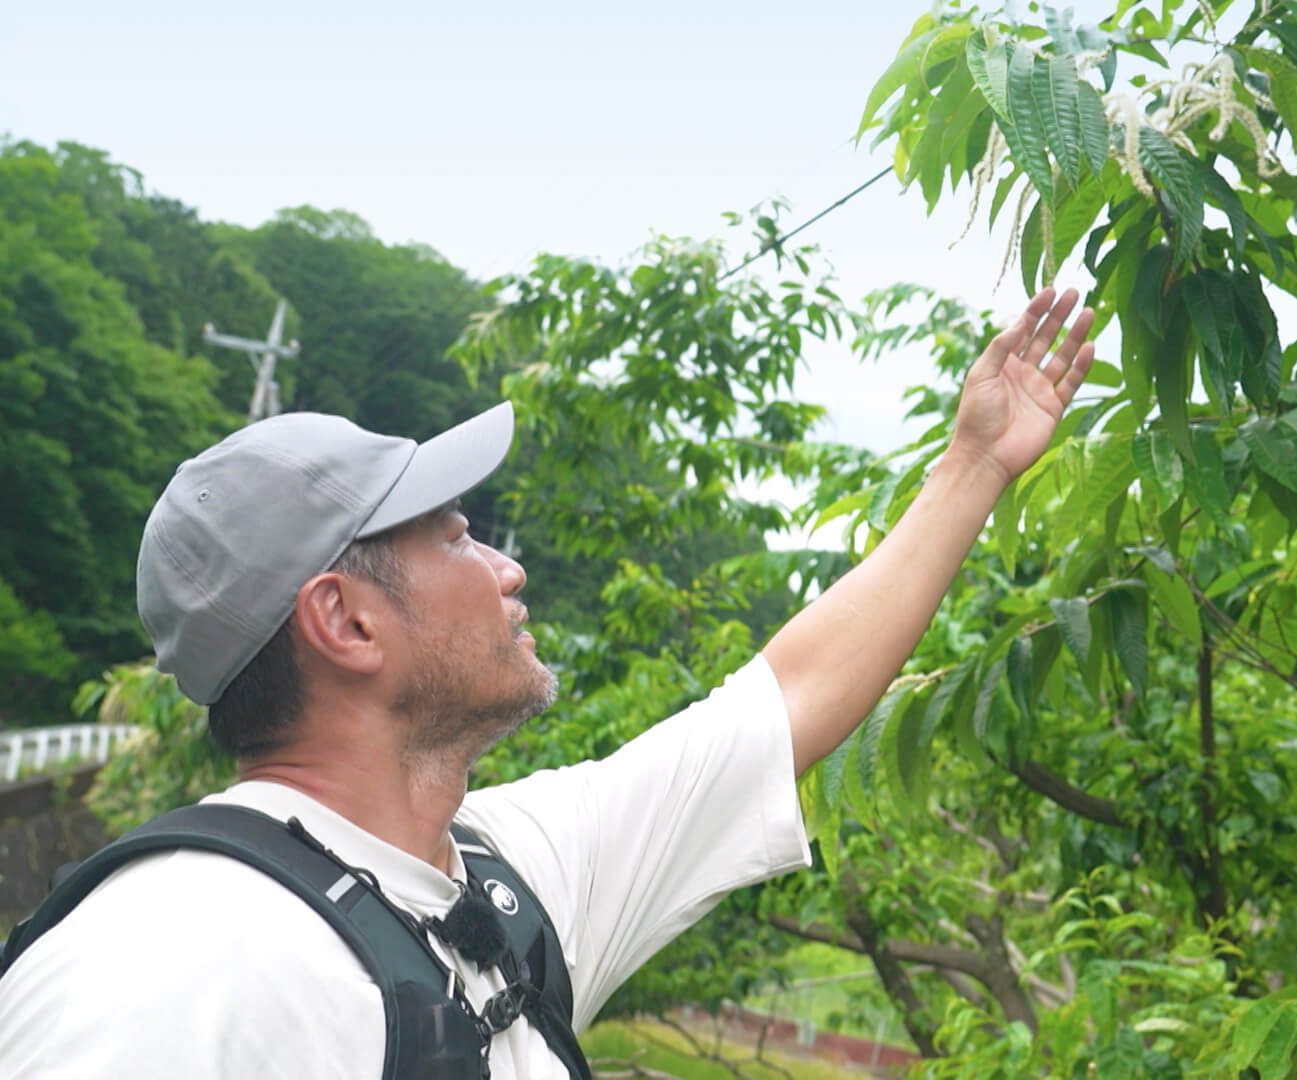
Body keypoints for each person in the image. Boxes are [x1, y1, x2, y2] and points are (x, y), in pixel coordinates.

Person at [0, 288, 1096, 1079]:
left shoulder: (502, 879)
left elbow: (786, 700)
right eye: (460, 535)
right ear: (344, 620)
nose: (507, 568)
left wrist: (973, 467)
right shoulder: (167, 960)